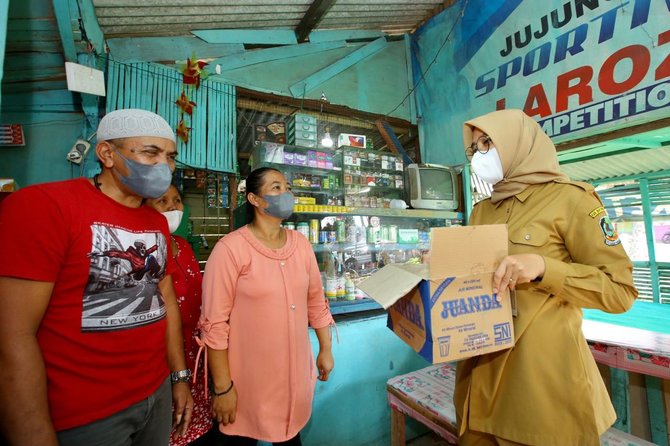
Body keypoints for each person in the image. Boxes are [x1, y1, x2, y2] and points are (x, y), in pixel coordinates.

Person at [0, 109, 193, 446]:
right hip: (85, 415)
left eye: (170, 157)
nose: (164, 166)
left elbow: (165, 303)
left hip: (155, 395)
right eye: (150, 152)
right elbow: (11, 336)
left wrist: (178, 378)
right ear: (107, 154)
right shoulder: (44, 207)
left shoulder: (156, 223)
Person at [455, 109, 638, 446]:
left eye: (488, 142)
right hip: (478, 378)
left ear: (517, 143)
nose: (480, 154)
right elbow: (470, 280)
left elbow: (619, 292)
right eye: (476, 148)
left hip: (540, 386)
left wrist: (544, 268)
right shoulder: (482, 209)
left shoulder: (571, 200)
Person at [199, 167, 335, 445]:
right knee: (240, 435)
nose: (286, 193)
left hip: (294, 380)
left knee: (290, 436)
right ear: (254, 199)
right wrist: (223, 389)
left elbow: (316, 302)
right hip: (247, 383)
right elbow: (214, 325)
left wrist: (325, 349)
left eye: (287, 187)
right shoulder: (230, 249)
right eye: (276, 187)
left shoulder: (301, 245)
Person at [146, 185, 214, 446]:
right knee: (169, 430)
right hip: (165, 357)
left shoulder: (183, 246)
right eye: (162, 200)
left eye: (176, 200)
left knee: (196, 430)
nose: (172, 206)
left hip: (194, 355)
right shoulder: (146, 250)